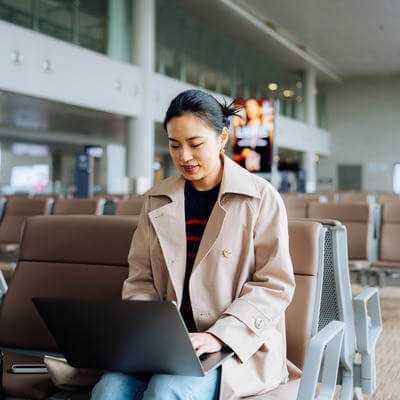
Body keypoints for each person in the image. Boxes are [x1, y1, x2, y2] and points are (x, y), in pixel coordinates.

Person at [91, 89, 295, 400]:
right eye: (175, 145)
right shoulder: (156, 200)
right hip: (166, 344)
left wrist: (218, 336)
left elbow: (274, 284)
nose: (184, 156)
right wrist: (153, 334)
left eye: (195, 144)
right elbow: (140, 279)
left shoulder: (260, 198)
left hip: (235, 345)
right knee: (108, 390)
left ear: (222, 137)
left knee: (166, 391)